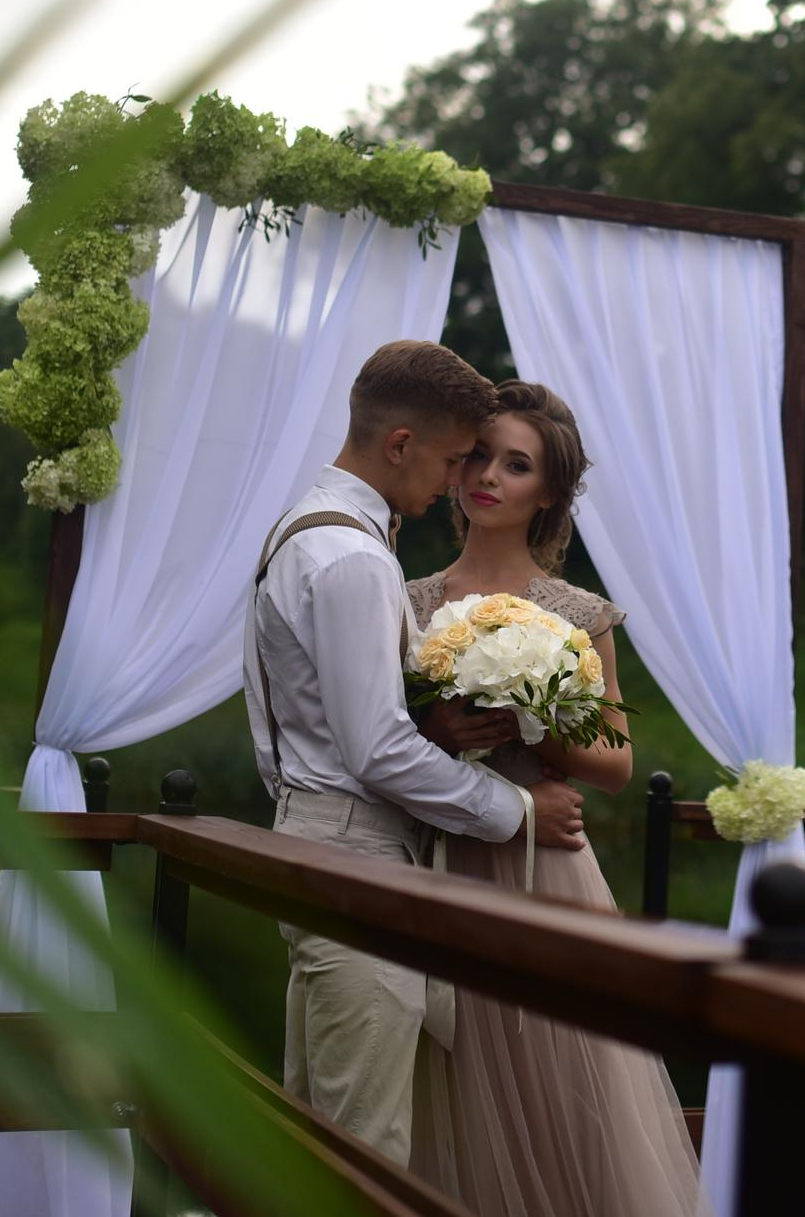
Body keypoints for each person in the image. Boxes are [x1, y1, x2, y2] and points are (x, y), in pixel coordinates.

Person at [245, 340, 589, 1182]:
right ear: (400, 443)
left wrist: (432, 723)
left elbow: (316, 722)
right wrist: (516, 810)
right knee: (365, 1158)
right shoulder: (358, 558)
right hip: (357, 859)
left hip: (309, 835)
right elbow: (375, 749)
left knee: (319, 1132)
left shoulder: (304, 530)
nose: (452, 481)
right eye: (448, 458)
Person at [405, 379, 709, 1217]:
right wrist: (437, 728)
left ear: (549, 492)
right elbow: (385, 739)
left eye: (517, 464)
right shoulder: (412, 602)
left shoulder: (576, 615)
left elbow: (615, 760)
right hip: (437, 859)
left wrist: (533, 717)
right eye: (478, 456)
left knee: (564, 1079)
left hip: (549, 870)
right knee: (447, 1079)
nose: (486, 476)